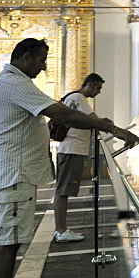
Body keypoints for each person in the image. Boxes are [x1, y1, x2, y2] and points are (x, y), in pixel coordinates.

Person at [0, 38, 139, 278]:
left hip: (17, 173)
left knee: (12, 242)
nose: (44, 66)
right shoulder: (15, 82)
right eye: (41, 59)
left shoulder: (14, 81)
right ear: (26, 56)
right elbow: (64, 114)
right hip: (13, 173)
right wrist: (114, 129)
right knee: (7, 245)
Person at [53, 72, 107, 243]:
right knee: (63, 191)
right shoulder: (78, 98)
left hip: (72, 149)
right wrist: (112, 127)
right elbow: (94, 120)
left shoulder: (72, 97)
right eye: (98, 88)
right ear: (90, 85)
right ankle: (61, 231)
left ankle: (61, 229)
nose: (99, 92)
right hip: (71, 149)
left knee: (64, 190)